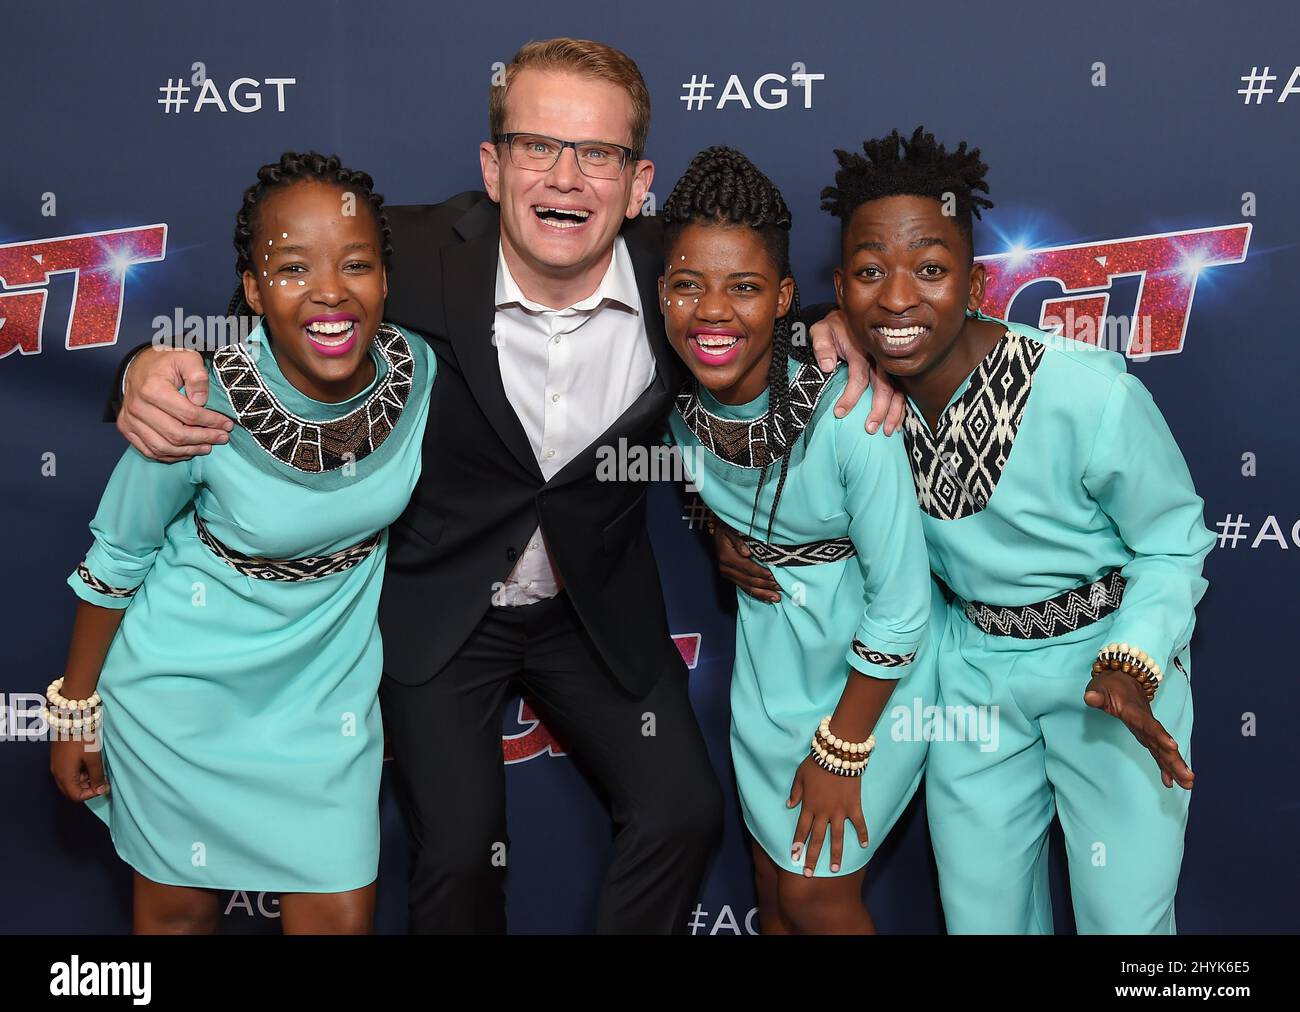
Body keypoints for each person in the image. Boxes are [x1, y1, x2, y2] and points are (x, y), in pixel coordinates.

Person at [102, 40, 904, 935]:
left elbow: (754, 327)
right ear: (494, 165)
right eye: (537, 145)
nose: (566, 176)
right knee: (454, 851)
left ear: (640, 183)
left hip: (590, 605)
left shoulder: (677, 279)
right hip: (441, 605)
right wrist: (144, 364)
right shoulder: (394, 251)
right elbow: (281, 303)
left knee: (684, 811)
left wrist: (839, 329)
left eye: (597, 153)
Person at [722, 127, 1215, 934]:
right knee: (982, 917)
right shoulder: (847, 395)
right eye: (872, 273)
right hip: (969, 678)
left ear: (976, 280)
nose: (899, 298)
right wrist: (718, 525)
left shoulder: (1085, 393)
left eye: (931, 269)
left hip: (1108, 669)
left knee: (1123, 922)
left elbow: (1175, 539)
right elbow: (725, 391)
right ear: (840, 287)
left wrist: (1136, 659)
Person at [52, 152, 434, 934]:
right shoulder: (192, 402)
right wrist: (74, 714)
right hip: (183, 703)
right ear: (255, 291)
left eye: (356, 264)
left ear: (386, 280)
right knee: (178, 921)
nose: (331, 291)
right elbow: (116, 561)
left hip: (325, 712)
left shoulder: (418, 371)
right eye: (293, 268)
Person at [661, 147, 939, 934]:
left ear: (785, 296)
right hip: (770, 667)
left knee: (817, 895)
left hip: (871, 680)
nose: (713, 311)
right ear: (662, 292)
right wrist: (721, 531)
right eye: (689, 284)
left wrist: (842, 747)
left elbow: (903, 609)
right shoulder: (674, 401)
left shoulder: (854, 412)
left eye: (744, 287)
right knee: (773, 888)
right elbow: (724, 481)